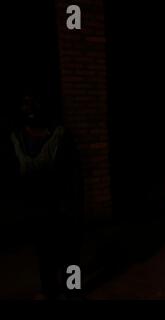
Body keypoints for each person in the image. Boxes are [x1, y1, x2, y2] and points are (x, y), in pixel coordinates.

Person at [4, 90, 84, 299]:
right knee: (45, 254)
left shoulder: (60, 136)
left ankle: (73, 291)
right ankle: (50, 291)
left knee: (70, 256)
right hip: (37, 208)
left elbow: (74, 173)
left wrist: (74, 205)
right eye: (25, 104)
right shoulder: (17, 138)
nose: (29, 109)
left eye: (34, 103)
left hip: (62, 208)